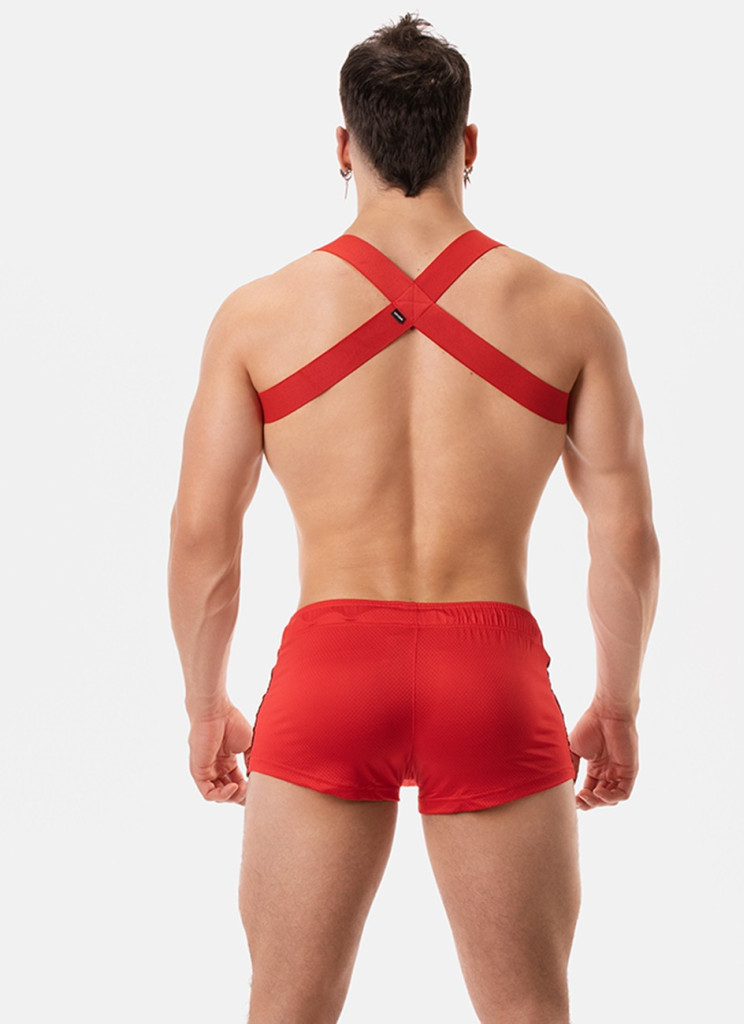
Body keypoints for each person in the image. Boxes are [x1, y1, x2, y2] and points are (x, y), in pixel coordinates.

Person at [168, 13, 659, 1024]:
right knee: (529, 1010)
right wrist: (616, 703)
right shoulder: (567, 313)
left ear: (341, 146)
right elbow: (625, 539)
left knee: (286, 1009)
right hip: (493, 674)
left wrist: (205, 702)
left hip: (329, 668)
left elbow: (203, 542)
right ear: (466, 143)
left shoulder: (258, 316)